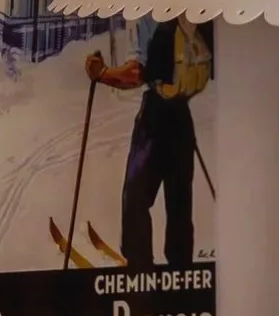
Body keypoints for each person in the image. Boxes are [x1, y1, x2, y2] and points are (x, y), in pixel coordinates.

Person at [85, 18, 198, 266]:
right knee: (179, 204)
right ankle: (180, 271)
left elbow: (135, 74)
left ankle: (140, 270)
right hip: (181, 114)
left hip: (157, 116)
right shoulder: (179, 9)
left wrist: (101, 74)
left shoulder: (142, 13)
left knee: (136, 198)